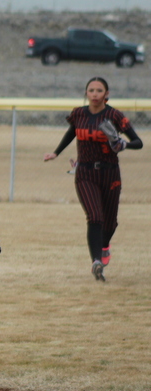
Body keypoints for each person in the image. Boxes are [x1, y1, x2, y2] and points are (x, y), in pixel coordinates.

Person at [43, 76, 142, 281]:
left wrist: (123, 144)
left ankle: (104, 247)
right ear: (86, 93)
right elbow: (72, 132)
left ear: (107, 94)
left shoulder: (113, 115)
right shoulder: (79, 113)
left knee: (110, 222)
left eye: (99, 91)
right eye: (91, 90)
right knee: (95, 217)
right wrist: (56, 153)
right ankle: (96, 262)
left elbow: (138, 142)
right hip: (85, 173)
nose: (95, 94)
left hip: (110, 173)